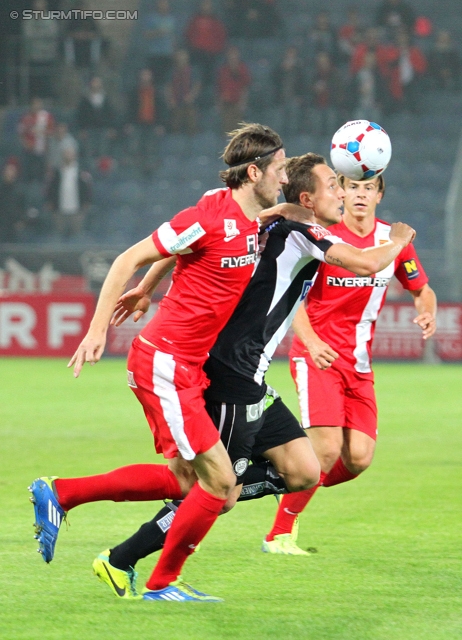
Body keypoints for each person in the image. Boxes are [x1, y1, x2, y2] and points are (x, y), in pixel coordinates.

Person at [29, 152, 416, 601]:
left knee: (303, 469)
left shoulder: (270, 220)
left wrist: (150, 284)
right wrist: (401, 239)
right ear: (308, 198)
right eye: (336, 184)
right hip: (234, 374)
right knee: (210, 487)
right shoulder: (301, 229)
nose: (347, 191)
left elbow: (196, 241)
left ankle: (74, 501)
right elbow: (366, 263)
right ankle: (144, 573)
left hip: (250, 375)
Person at [29, 123, 290, 603]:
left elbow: (181, 252)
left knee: (184, 480)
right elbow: (127, 257)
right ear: (253, 172)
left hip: (187, 367)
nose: (285, 176)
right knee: (220, 482)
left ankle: (60, 493)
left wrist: (149, 290)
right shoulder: (210, 215)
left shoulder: (253, 215)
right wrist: (96, 328)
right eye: (279, 168)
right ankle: (162, 584)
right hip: (166, 365)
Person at [263, 163, 437, 554]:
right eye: (352, 186)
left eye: (368, 187)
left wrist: (428, 309)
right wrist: (308, 341)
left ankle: (291, 482)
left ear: (379, 195)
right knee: (324, 450)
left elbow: (421, 288)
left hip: (359, 364)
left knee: (358, 458)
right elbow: (295, 298)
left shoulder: (392, 241)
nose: (359, 193)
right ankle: (279, 535)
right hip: (318, 357)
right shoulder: (325, 237)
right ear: (340, 191)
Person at [46, 146, 92, 239]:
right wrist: (50, 202)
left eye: (70, 153)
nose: (68, 156)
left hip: (77, 211)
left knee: (77, 237)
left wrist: (86, 203)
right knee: (58, 236)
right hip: (59, 210)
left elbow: (87, 189)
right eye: (66, 153)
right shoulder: (56, 172)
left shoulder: (81, 171)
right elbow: (50, 188)